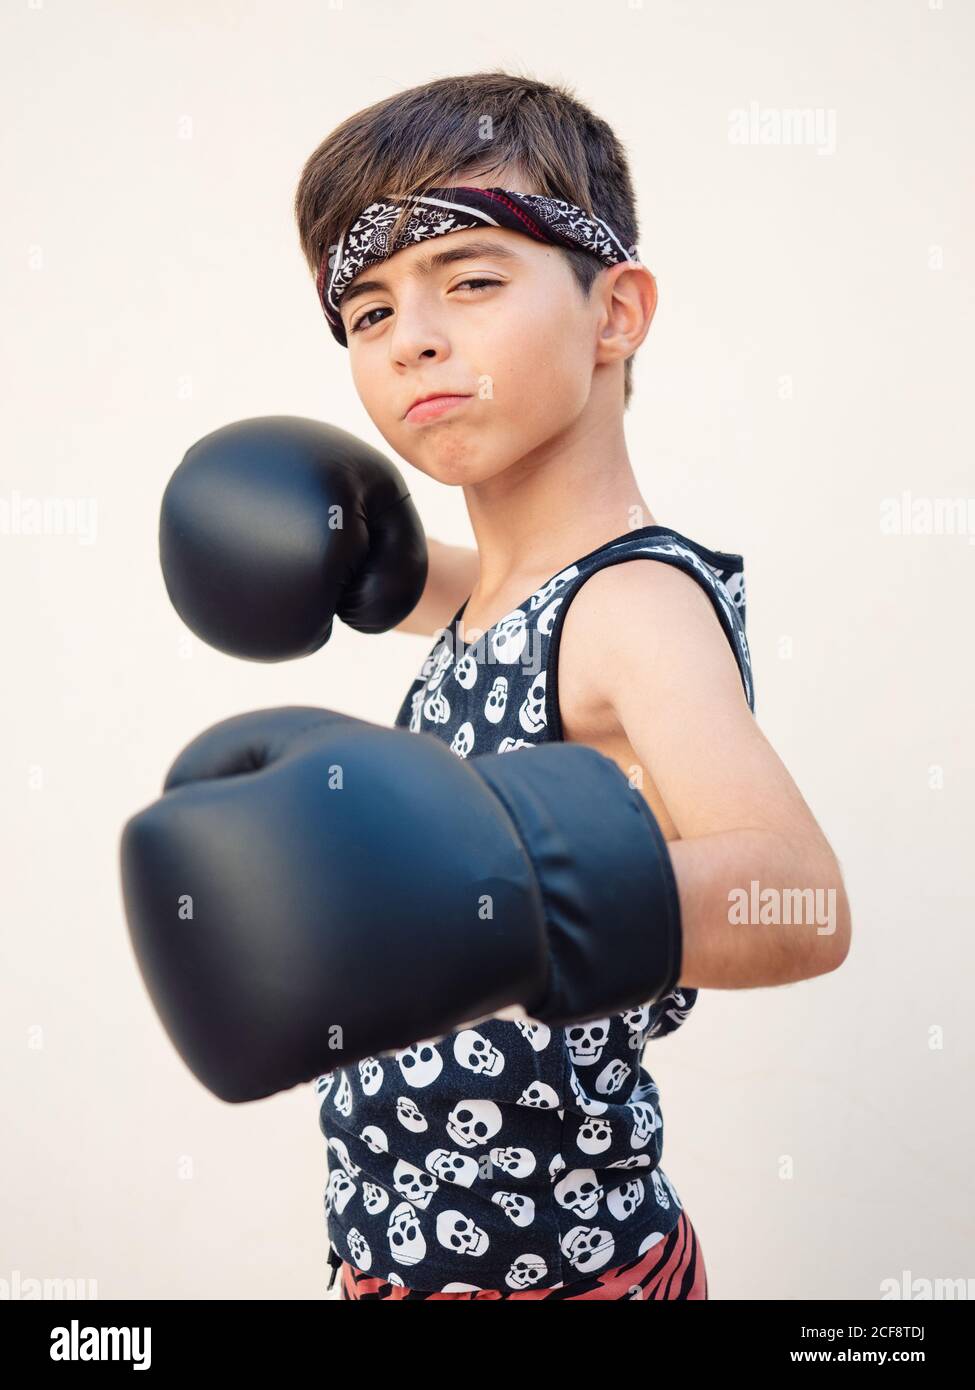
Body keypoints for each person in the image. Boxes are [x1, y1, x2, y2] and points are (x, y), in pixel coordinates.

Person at [283, 69, 850, 1299]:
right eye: (367, 311)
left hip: (554, 1274)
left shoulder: (632, 607)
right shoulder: (513, 596)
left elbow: (802, 901)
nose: (414, 336)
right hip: (397, 1254)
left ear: (615, 312)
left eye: (472, 280)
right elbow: (499, 617)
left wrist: (480, 901)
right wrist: (368, 564)